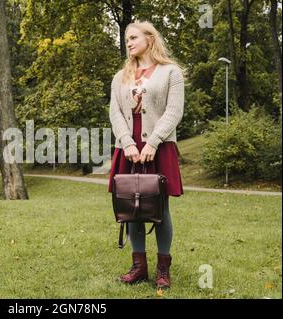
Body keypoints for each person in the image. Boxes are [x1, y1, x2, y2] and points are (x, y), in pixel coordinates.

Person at [107, 21, 185, 290]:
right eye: (126, 39)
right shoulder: (120, 77)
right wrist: (127, 143)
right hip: (127, 148)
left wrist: (152, 142)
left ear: (149, 39)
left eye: (133, 37)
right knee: (131, 206)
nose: (128, 42)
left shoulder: (170, 73)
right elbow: (115, 112)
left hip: (159, 146)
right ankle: (139, 266)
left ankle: (163, 267)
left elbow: (174, 111)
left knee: (159, 207)